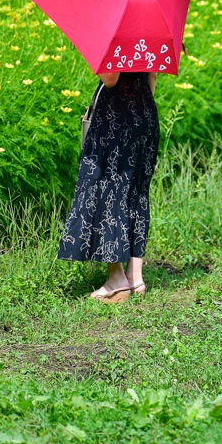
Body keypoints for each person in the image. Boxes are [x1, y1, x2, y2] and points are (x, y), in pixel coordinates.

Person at [57, 71, 159, 302]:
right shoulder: (144, 35)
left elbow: (111, 78)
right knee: (135, 194)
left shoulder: (115, 37)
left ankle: (117, 279)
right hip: (145, 114)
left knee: (109, 192)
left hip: (116, 117)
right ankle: (135, 277)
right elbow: (151, 77)